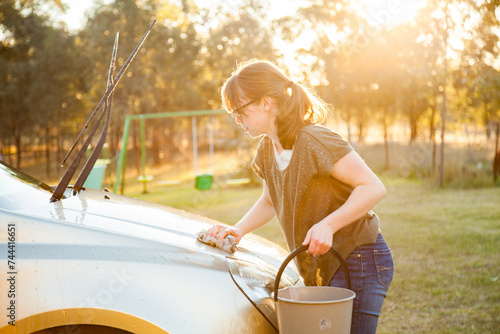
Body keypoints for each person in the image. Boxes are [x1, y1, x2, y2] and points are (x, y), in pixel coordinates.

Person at [207, 59, 394, 334]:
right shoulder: (267, 151)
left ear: (266, 103)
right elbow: (269, 201)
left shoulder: (315, 140)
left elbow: (372, 186)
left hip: (360, 257)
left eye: (241, 110)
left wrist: (328, 224)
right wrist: (238, 230)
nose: (237, 119)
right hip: (325, 263)